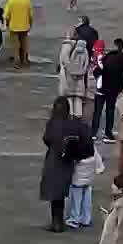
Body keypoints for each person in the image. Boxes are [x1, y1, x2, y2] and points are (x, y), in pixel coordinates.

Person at [40, 98, 90, 233]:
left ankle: (57, 222)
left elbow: (47, 139)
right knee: (65, 192)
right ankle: (74, 218)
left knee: (54, 193)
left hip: (54, 159)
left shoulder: (52, 124)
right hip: (68, 162)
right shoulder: (74, 124)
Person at [66, 129, 104, 229]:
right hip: (89, 179)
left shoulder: (77, 151)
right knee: (87, 198)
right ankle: (86, 218)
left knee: (76, 199)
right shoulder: (92, 149)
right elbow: (99, 162)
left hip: (77, 181)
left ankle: (75, 219)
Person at [93, 39, 123, 137]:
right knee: (110, 110)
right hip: (114, 89)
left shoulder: (106, 58)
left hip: (102, 88)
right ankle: (108, 132)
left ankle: (93, 132)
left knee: (98, 111)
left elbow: (97, 71)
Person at [57, 29, 91, 118]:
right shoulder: (84, 49)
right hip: (80, 78)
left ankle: (70, 114)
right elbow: (86, 64)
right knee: (78, 98)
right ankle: (78, 115)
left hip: (68, 77)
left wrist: (69, 70)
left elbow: (63, 61)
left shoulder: (67, 46)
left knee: (69, 97)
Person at [3, 0, 34, 68]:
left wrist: (7, 25)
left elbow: (6, 16)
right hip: (25, 27)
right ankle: (24, 60)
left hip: (13, 27)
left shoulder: (10, 2)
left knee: (15, 46)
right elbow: (31, 16)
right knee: (24, 44)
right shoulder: (27, 2)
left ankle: (16, 62)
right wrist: (30, 25)